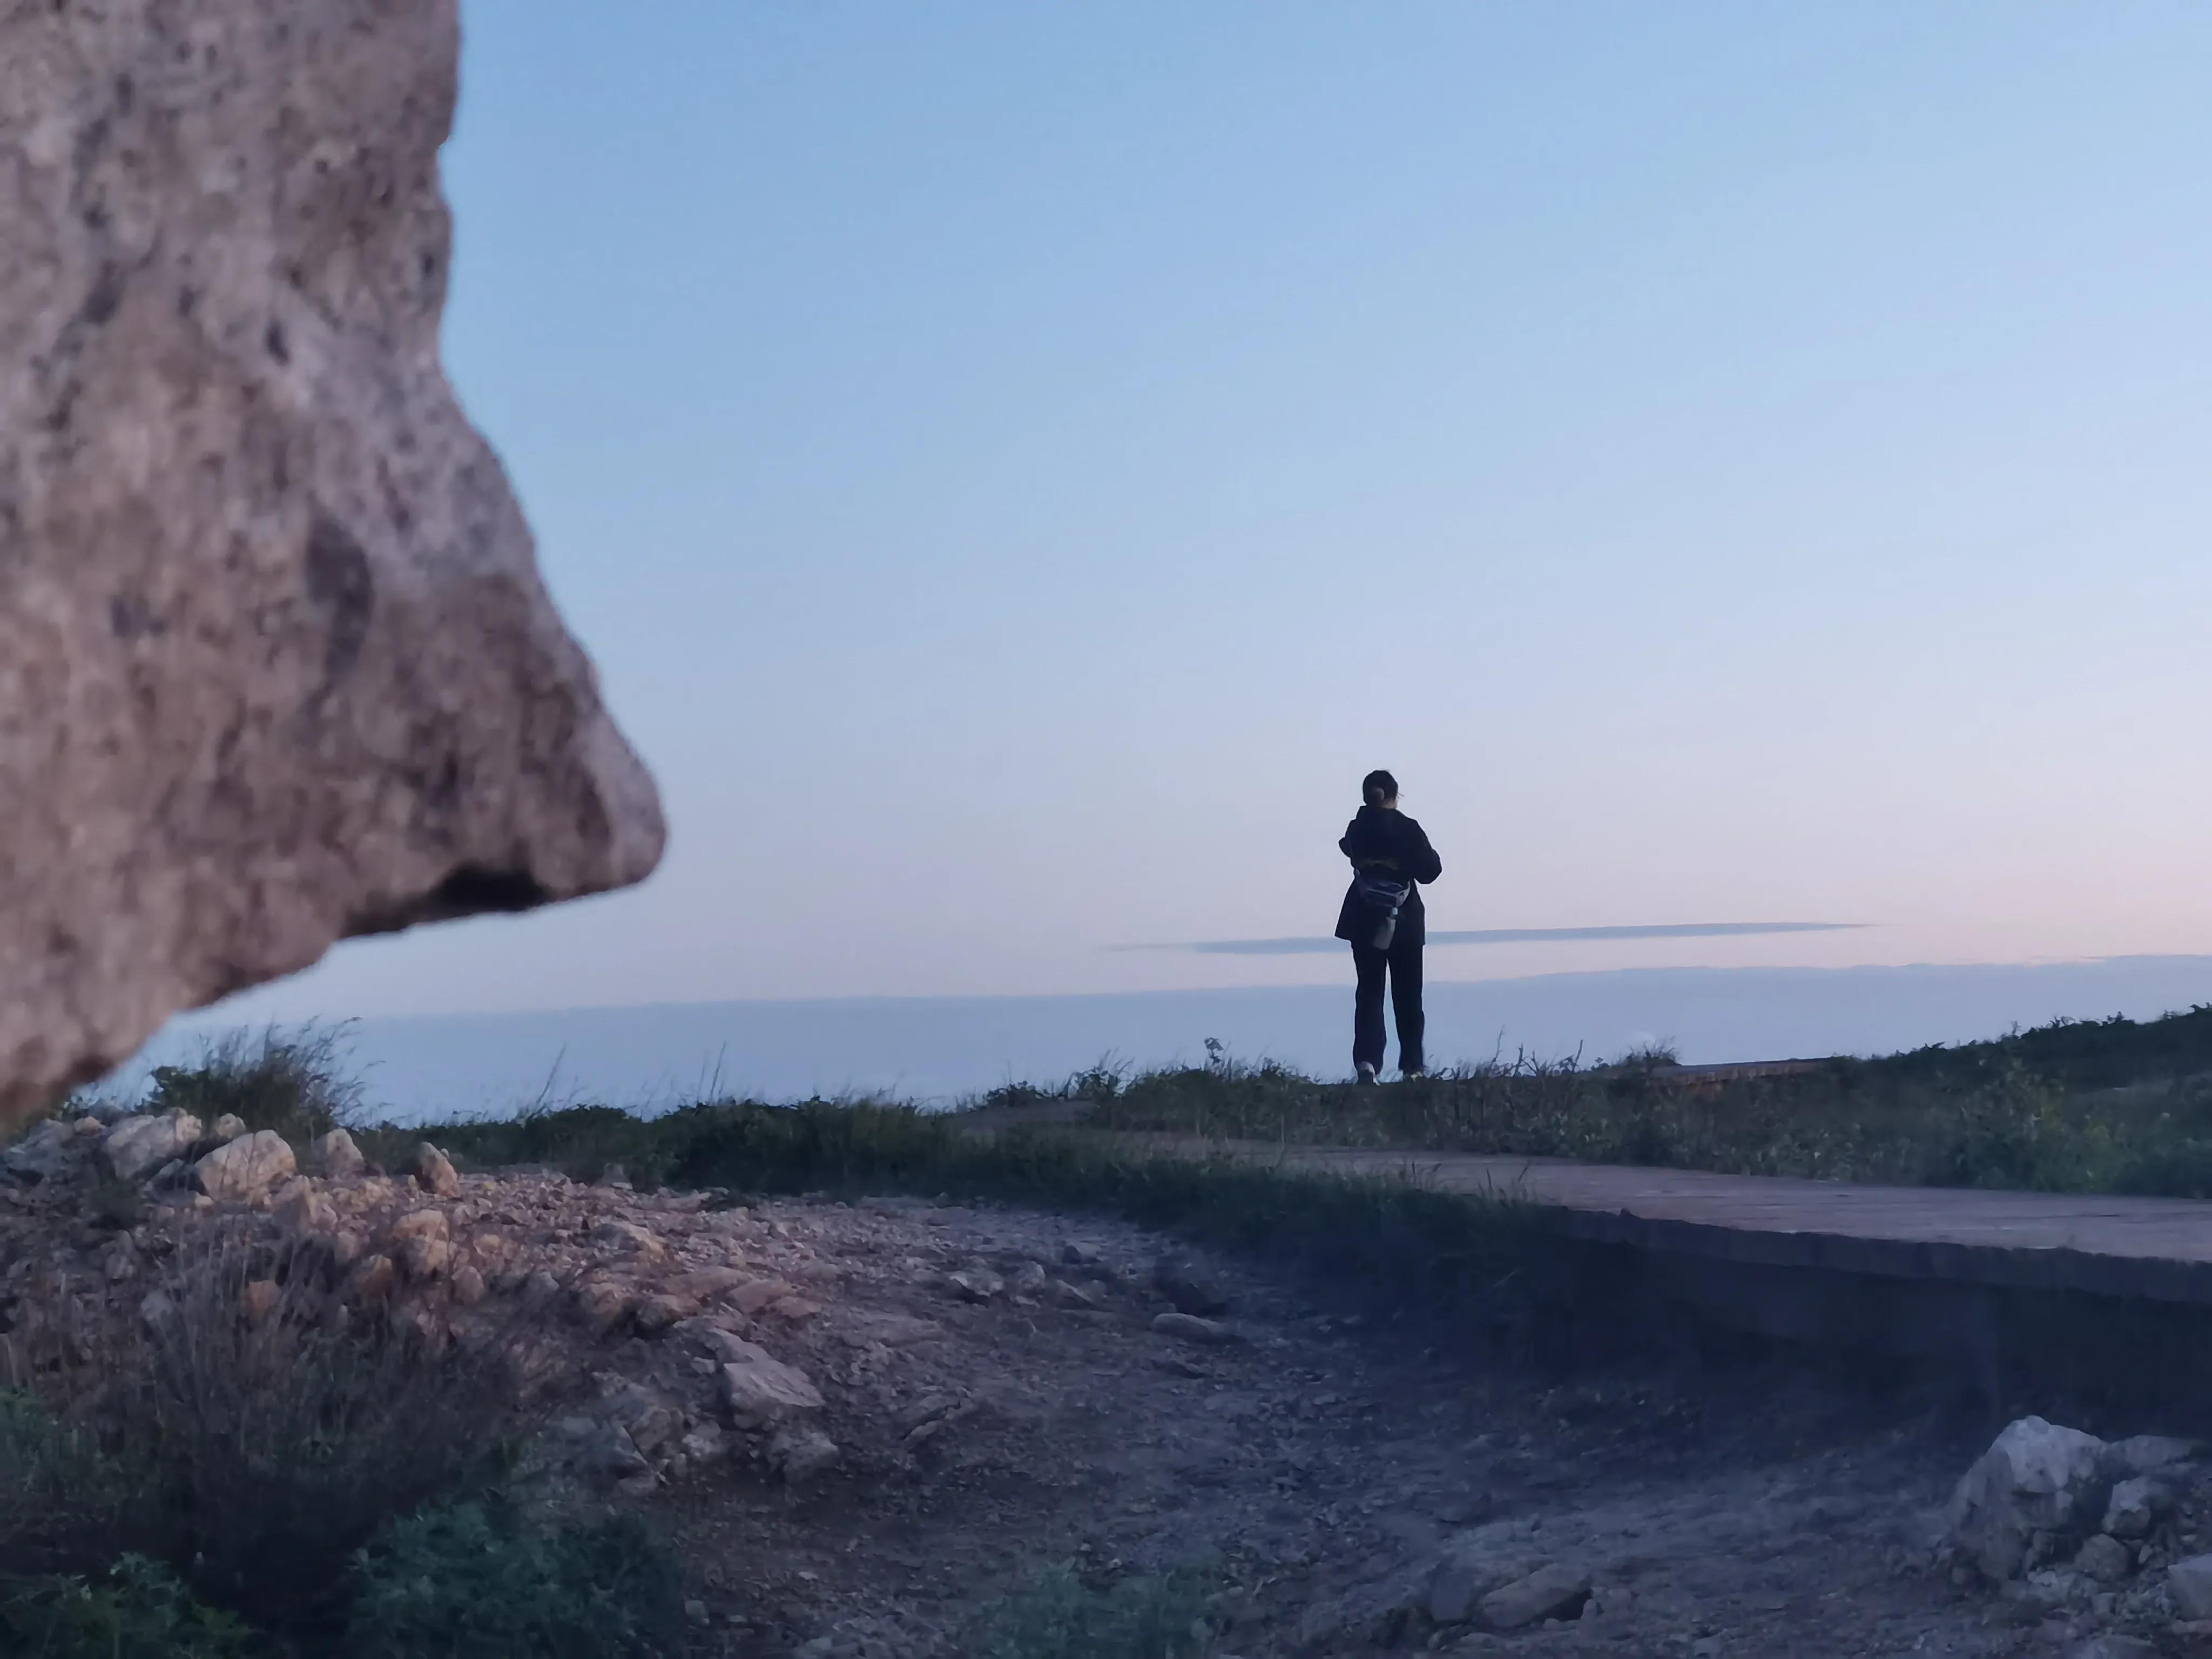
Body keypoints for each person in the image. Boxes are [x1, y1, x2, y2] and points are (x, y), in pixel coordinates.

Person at [1333, 769, 1442, 1084]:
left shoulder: (1355, 830)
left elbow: (1347, 849)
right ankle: (1413, 1068)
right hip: (1404, 919)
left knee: (1369, 992)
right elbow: (1430, 871)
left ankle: (1367, 1065)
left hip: (1363, 916)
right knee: (1408, 996)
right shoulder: (1408, 829)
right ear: (1395, 796)